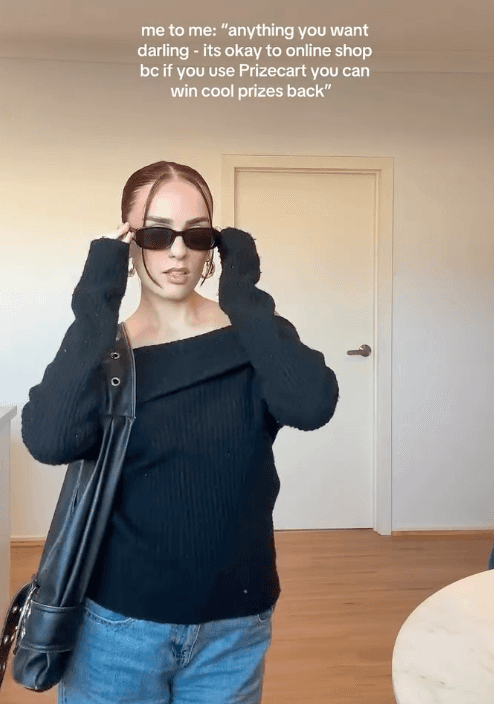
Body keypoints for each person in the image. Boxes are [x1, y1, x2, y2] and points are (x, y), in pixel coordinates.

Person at [21, 160, 339, 704]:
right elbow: (49, 440)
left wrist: (243, 296)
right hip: (118, 627)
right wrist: (97, 299)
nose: (177, 252)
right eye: (156, 234)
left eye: (196, 235)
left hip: (235, 625)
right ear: (128, 241)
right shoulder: (107, 353)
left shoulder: (253, 337)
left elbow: (311, 406)